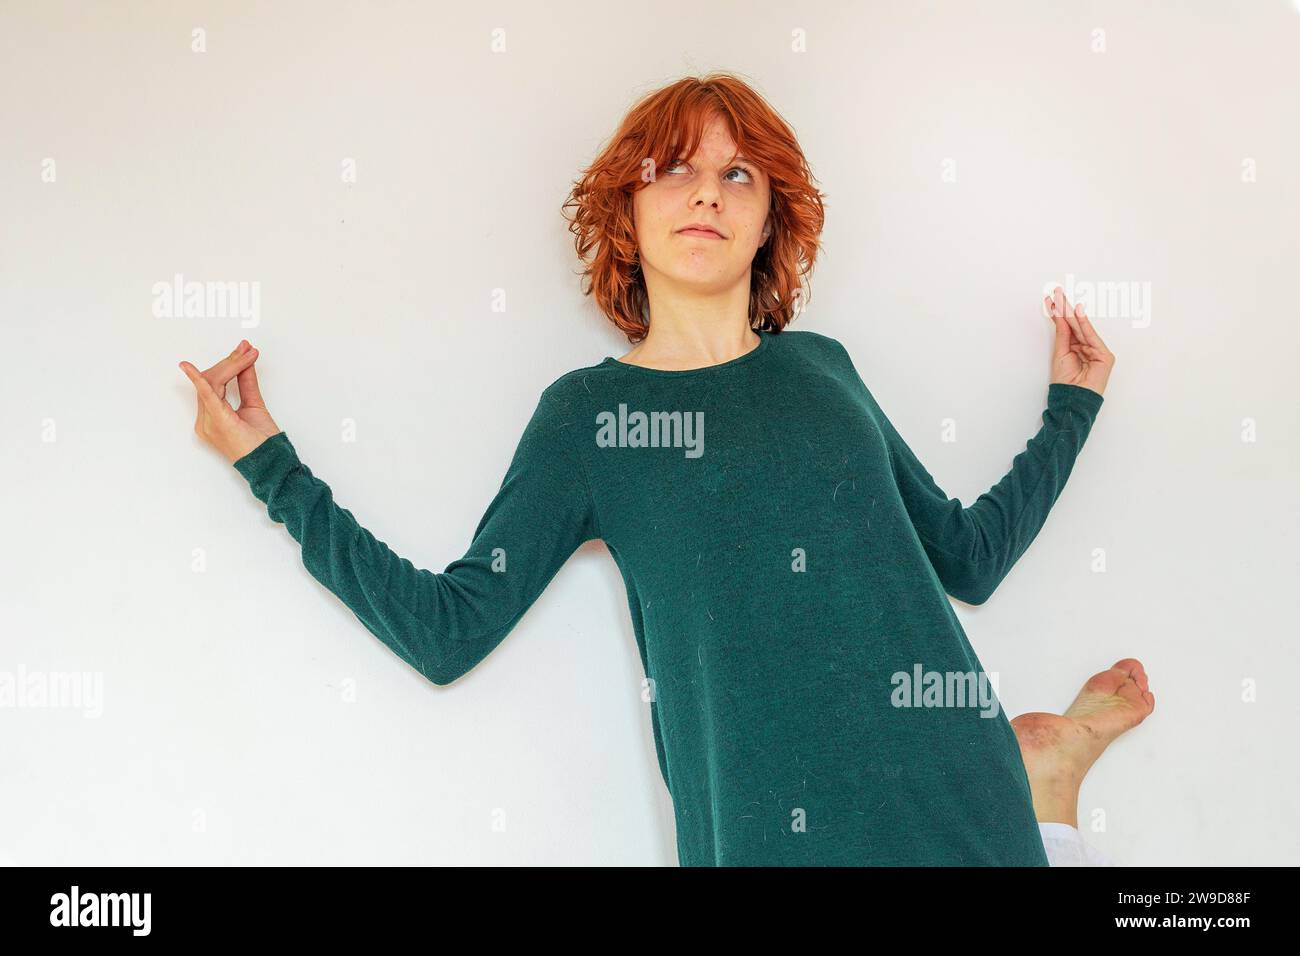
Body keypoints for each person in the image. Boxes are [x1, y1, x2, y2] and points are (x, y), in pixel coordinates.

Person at [179, 72, 1139, 866]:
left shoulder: (822, 368)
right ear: (628, 212)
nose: (707, 194)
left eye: (738, 176)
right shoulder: (589, 419)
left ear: (769, 222)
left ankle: (1037, 777)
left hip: (956, 791)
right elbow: (449, 630)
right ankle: (1049, 770)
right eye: (673, 170)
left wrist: (1072, 409)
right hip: (769, 840)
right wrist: (273, 470)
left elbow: (966, 557)